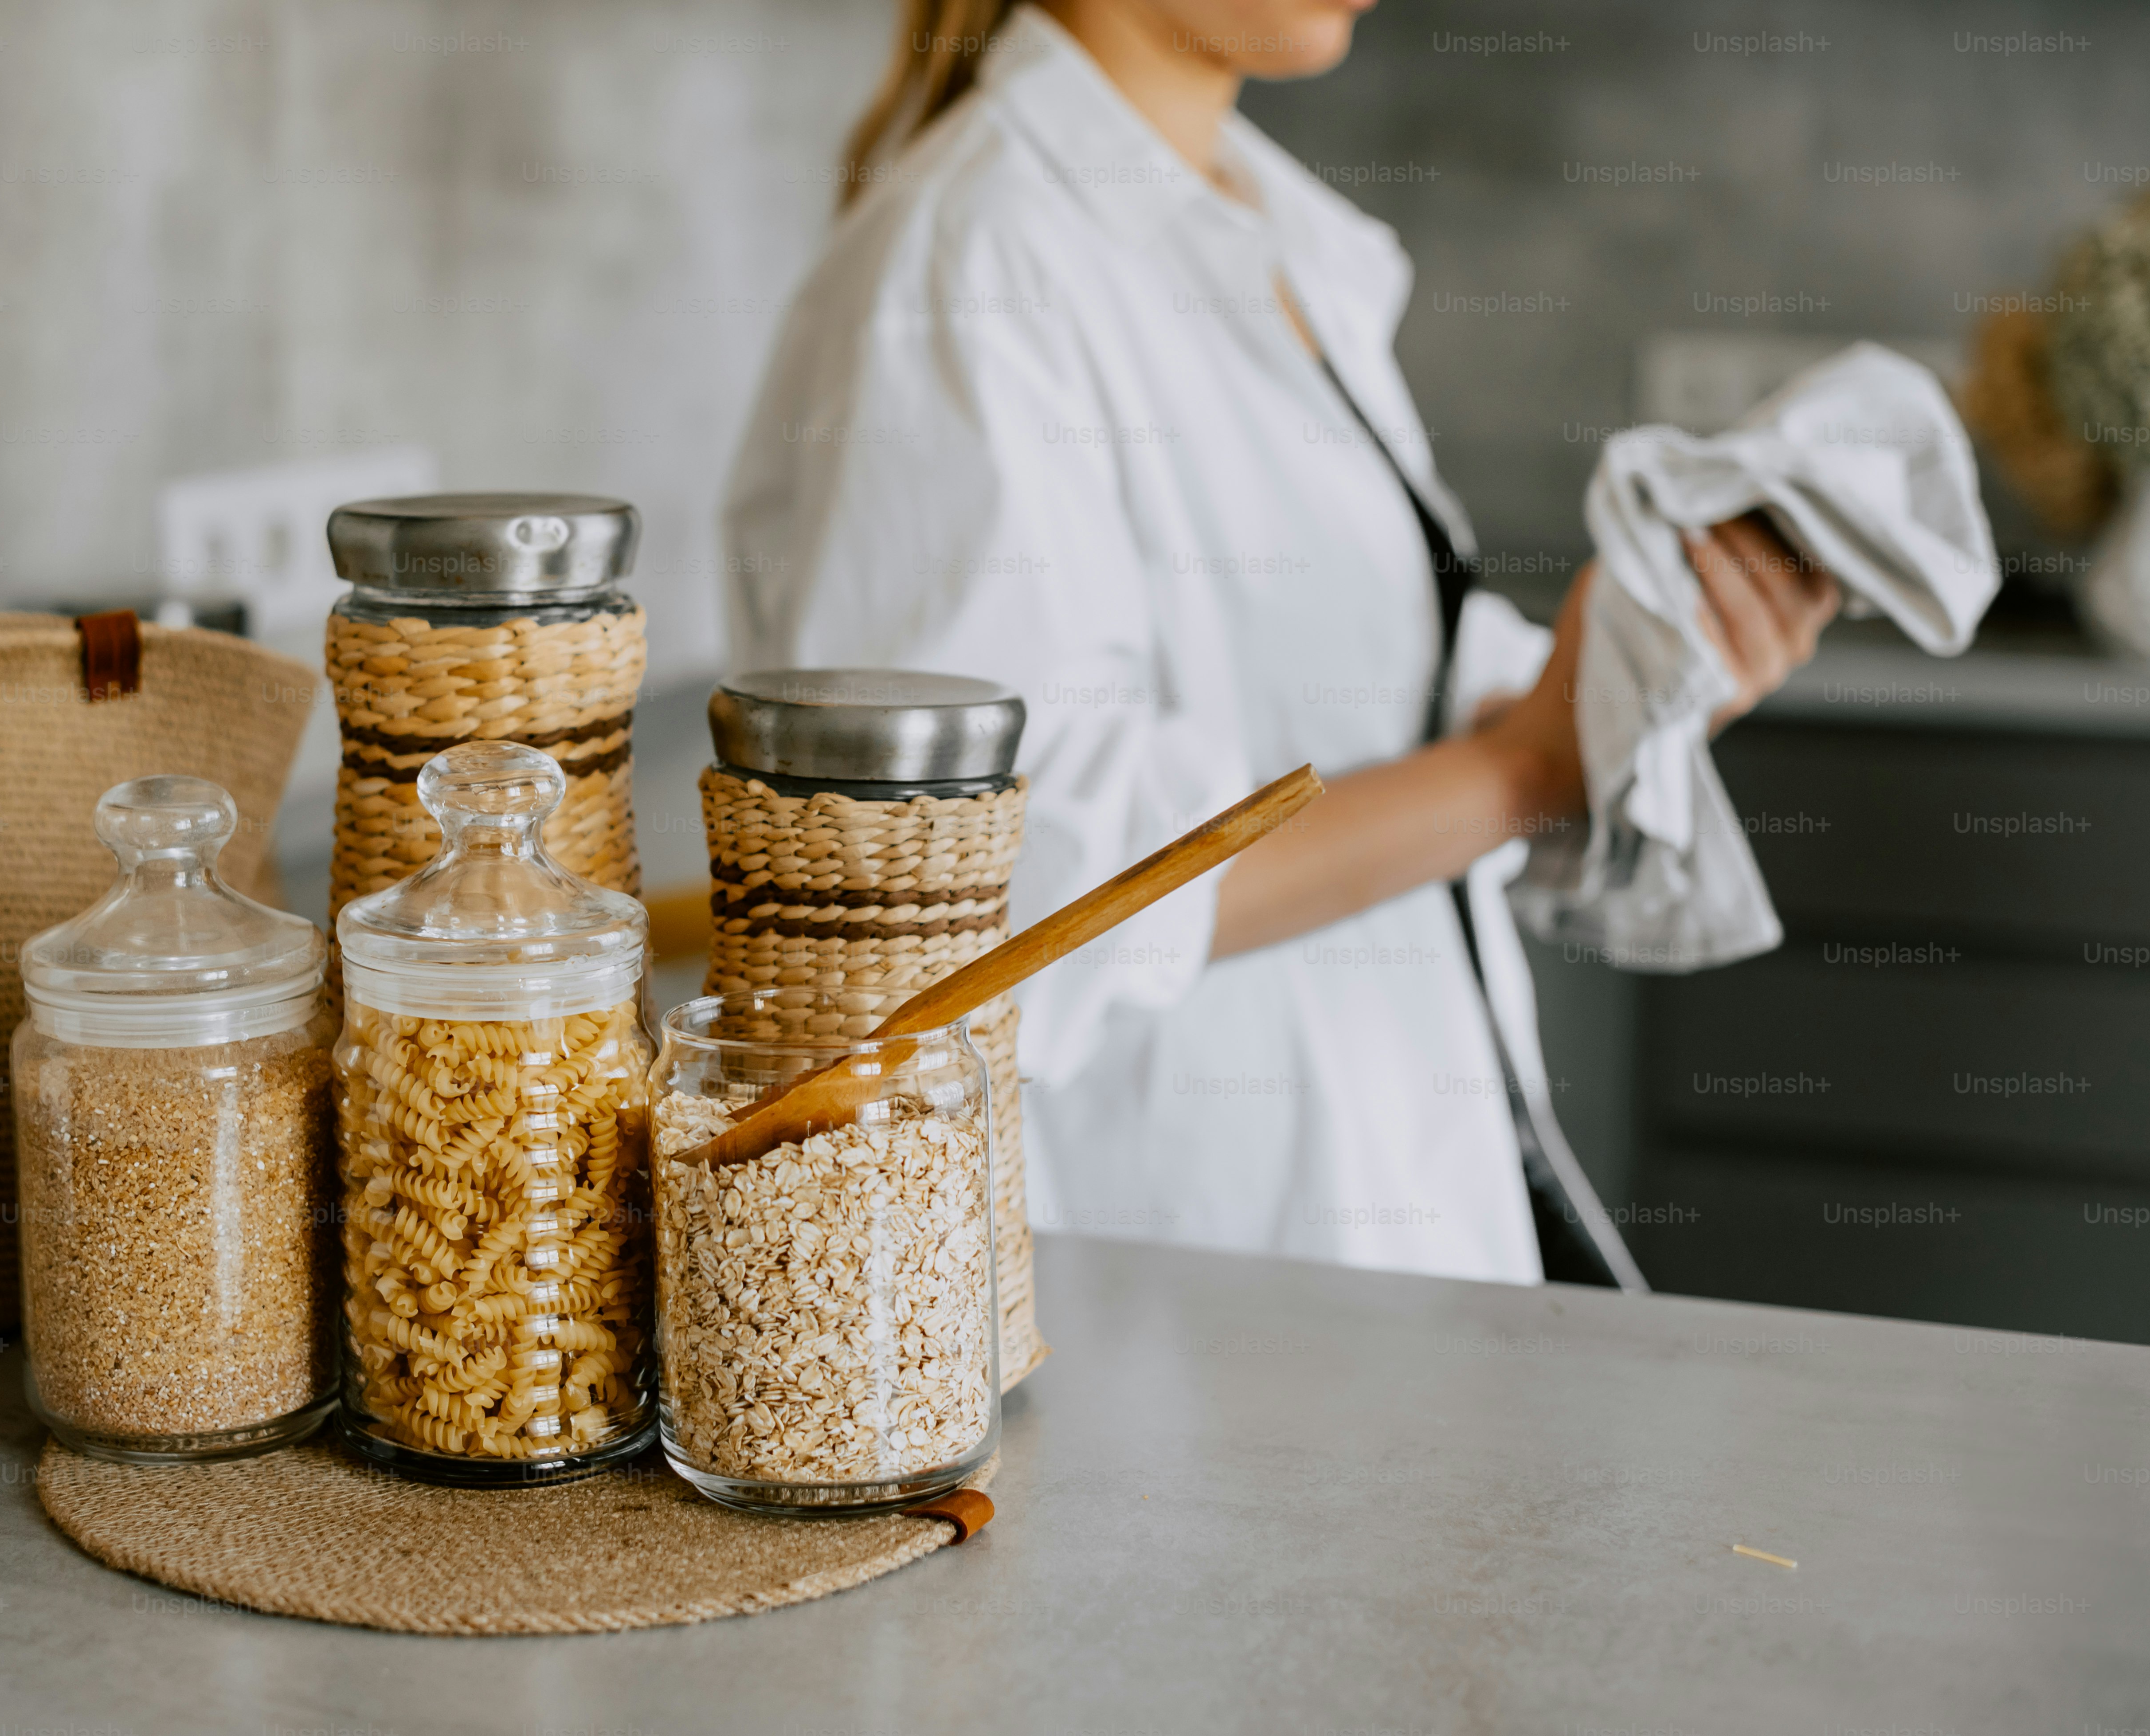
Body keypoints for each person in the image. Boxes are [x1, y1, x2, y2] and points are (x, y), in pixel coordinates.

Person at [720, 0, 1839, 1285]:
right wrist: (1526, 767)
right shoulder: (966, 266)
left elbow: (1362, 705)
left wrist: (1631, 680)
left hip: (1397, 1218)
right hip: (1185, 1285)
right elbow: (992, 891)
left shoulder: (1274, 237)